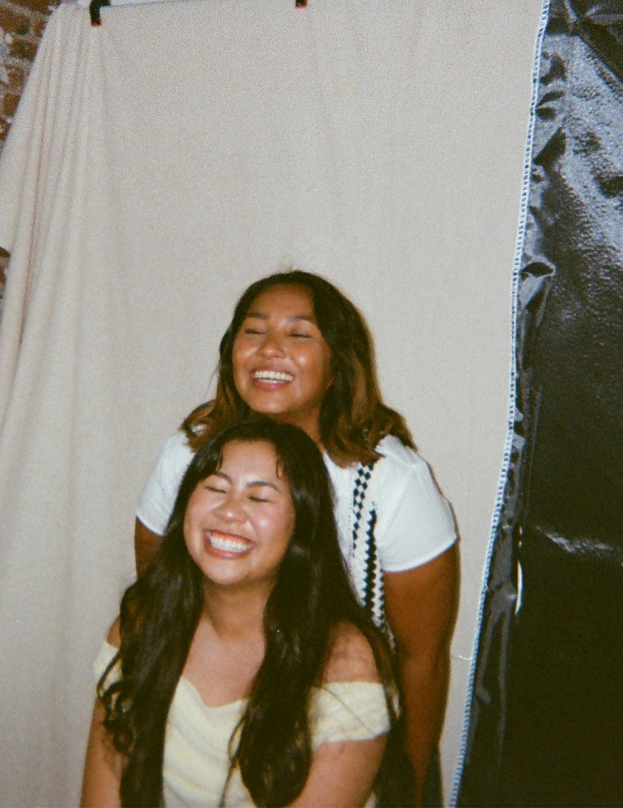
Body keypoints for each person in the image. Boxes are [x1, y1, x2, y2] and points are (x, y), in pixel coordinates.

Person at [134, 271, 459, 805]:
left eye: (299, 334)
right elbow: (161, 600)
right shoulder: (188, 459)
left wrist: (407, 786)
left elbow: (422, 659)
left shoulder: (393, 482)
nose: (269, 351)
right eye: (253, 331)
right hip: (207, 732)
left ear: (339, 364)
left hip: (346, 735)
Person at [83, 417, 404, 807]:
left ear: (302, 525)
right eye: (216, 488)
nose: (230, 511)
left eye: (259, 497)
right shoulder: (142, 623)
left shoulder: (343, 663)